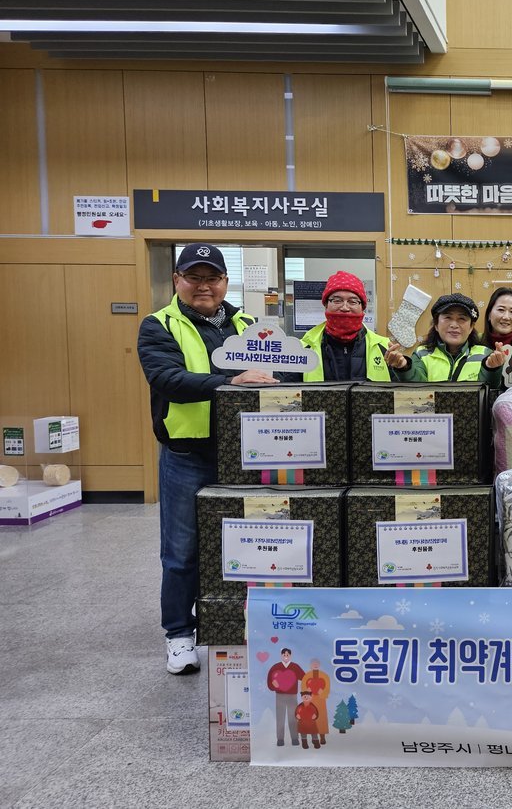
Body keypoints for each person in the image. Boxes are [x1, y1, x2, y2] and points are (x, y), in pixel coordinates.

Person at [137, 243, 278, 675]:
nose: (204, 286)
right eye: (194, 277)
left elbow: (277, 372)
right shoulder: (159, 325)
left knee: (255, 544)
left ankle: (248, 625)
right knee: (182, 551)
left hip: (247, 455)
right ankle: (179, 634)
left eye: (212, 278)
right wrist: (230, 382)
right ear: (177, 280)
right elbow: (168, 378)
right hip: (188, 455)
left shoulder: (249, 324)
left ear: (225, 282)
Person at [299, 270, 410, 381]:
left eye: (352, 302)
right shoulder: (302, 349)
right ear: (326, 305)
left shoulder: (385, 348)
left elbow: (405, 390)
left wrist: (403, 369)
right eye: (337, 300)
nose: (345, 308)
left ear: (362, 308)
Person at [403, 294, 504, 384]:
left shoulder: (485, 354)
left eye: (462, 319)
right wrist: (404, 368)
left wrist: (491, 369)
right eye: (448, 318)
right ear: (436, 324)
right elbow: (415, 389)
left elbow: (489, 390)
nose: (454, 325)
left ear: (471, 327)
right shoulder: (421, 354)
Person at [266, 647, 302, 747]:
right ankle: (280, 739)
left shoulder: (295, 667)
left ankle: (294, 738)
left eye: (287, 655)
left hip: (292, 695)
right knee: (280, 717)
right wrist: (273, 685)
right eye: (284, 655)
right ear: (281, 655)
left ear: (290, 656)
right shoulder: (275, 667)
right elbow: (270, 681)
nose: (286, 657)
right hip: (280, 695)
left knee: (293, 717)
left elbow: (304, 677)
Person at [301, 658, 331, 746]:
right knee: (310, 718)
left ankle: (322, 737)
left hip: (321, 701)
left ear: (319, 665)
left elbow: (327, 687)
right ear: (310, 665)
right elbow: (303, 687)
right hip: (310, 700)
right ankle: (314, 738)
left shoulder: (324, 676)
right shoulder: (306, 676)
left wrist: (323, 692)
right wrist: (307, 691)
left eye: (317, 663)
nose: (315, 665)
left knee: (321, 718)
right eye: (313, 663)